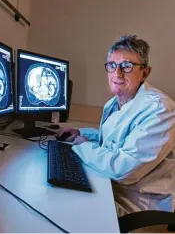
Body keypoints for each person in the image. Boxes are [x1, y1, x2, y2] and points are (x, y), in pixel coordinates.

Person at [57, 35, 175, 218]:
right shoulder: (115, 103)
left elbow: (123, 169)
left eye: (127, 66)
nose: (117, 73)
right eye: (112, 65)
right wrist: (80, 133)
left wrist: (83, 145)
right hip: (111, 186)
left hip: (137, 206)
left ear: (145, 72)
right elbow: (113, 138)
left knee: (63, 211)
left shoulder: (159, 109)